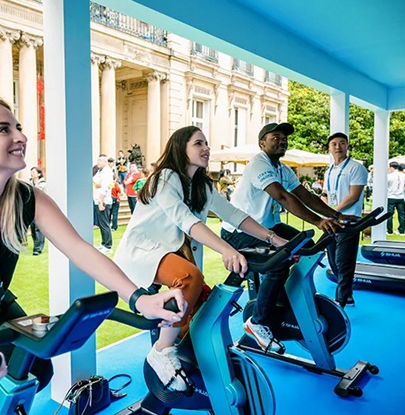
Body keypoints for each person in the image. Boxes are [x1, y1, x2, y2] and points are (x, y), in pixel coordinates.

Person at [0, 98, 186, 415]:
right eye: (4, 129)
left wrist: (139, 298)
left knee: (38, 368)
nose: (21, 136)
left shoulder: (26, 198)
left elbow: (79, 249)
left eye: (18, 127)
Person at [114, 125, 288, 392]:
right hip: (145, 252)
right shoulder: (166, 177)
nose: (206, 148)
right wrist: (226, 249)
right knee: (189, 278)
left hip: (173, 253)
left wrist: (272, 238)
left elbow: (233, 214)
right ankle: (161, 350)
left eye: (206, 143)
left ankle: (194, 370)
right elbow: (185, 220)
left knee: (202, 315)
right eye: (198, 143)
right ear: (180, 147)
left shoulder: (202, 185)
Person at [221, 122, 345, 353]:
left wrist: (336, 216)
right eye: (275, 137)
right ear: (262, 143)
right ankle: (257, 322)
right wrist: (318, 221)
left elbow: (305, 195)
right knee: (278, 264)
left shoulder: (281, 168)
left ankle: (283, 298)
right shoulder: (259, 163)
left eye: (284, 138)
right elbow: (282, 197)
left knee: (307, 245)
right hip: (239, 232)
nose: (282, 141)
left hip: (266, 226)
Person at [321, 132, 368, 307]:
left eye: (342, 143)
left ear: (347, 146)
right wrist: (325, 210)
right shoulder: (329, 171)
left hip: (349, 221)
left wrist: (332, 212)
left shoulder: (356, 168)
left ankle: (340, 301)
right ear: (329, 148)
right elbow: (325, 194)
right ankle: (347, 295)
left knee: (344, 261)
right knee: (333, 261)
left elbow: (353, 196)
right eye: (334, 144)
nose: (338, 147)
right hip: (332, 220)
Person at [93, 154, 114, 253]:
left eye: (100, 161)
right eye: (98, 160)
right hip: (98, 199)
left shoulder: (107, 172)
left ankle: (108, 245)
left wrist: (101, 201)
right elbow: (96, 183)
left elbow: (104, 187)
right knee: (101, 223)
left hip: (103, 201)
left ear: (105, 162)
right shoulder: (99, 171)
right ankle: (103, 243)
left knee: (105, 223)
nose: (98, 163)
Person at [29, 166, 46, 255]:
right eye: (31, 172)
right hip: (31, 208)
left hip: (40, 209)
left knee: (38, 228)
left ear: (39, 174)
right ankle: (36, 245)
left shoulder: (43, 185)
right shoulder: (29, 184)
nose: (32, 174)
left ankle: (38, 249)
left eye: (33, 172)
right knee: (33, 228)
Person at [387, 161, 405, 235]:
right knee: (401, 214)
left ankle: (389, 230)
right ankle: (402, 230)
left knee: (389, 214)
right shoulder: (403, 175)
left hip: (391, 196)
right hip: (400, 197)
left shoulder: (389, 176)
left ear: (392, 168)